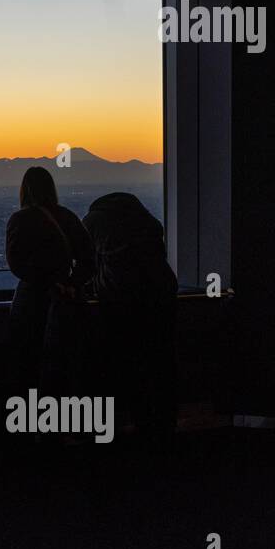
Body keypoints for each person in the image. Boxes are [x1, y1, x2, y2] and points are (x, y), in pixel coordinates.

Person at [83, 192, 177, 450]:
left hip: (120, 304)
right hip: (160, 302)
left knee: (119, 368)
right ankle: (159, 428)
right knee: (158, 369)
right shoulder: (147, 224)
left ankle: (115, 428)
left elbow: (83, 261)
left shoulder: (93, 221)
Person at [4, 167, 94, 401]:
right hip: (66, 301)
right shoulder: (67, 217)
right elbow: (88, 259)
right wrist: (70, 283)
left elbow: (16, 265)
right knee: (63, 366)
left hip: (31, 302)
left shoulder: (19, 219)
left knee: (27, 364)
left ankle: (30, 423)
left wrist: (42, 280)